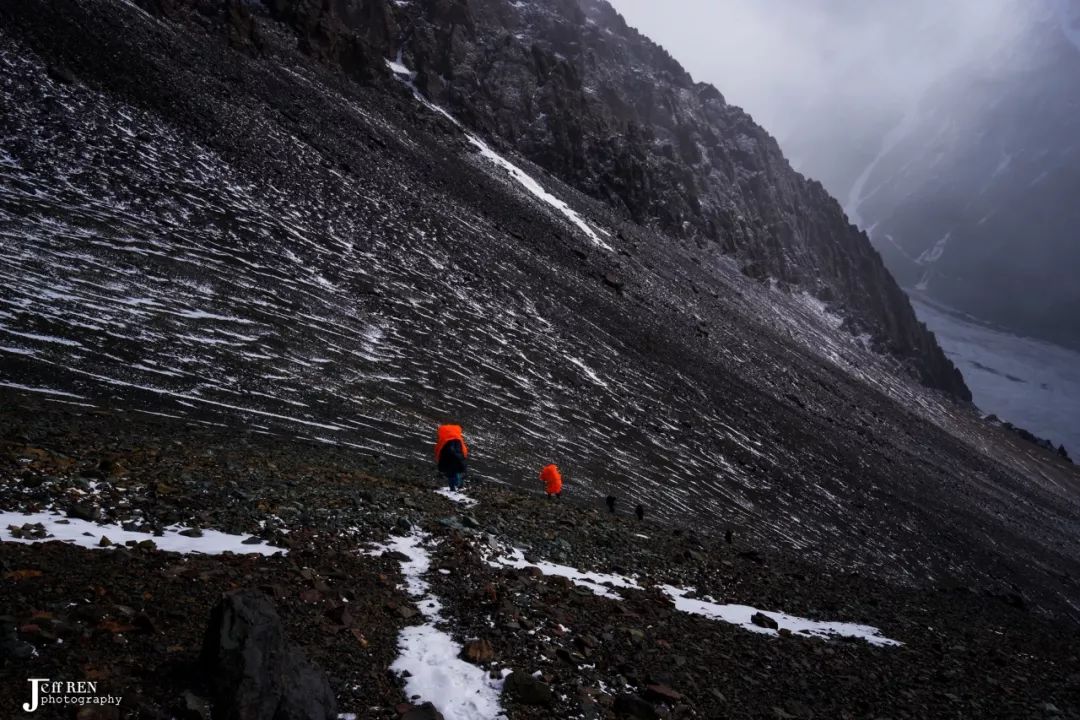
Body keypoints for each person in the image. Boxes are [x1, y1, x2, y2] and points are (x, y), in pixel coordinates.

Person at [435, 424, 469, 491]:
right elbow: (460, 451)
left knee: (451, 474)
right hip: (457, 460)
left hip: (448, 461)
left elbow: (441, 451)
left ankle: (453, 488)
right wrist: (461, 460)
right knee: (457, 473)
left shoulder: (444, 440)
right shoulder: (458, 440)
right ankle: (457, 488)